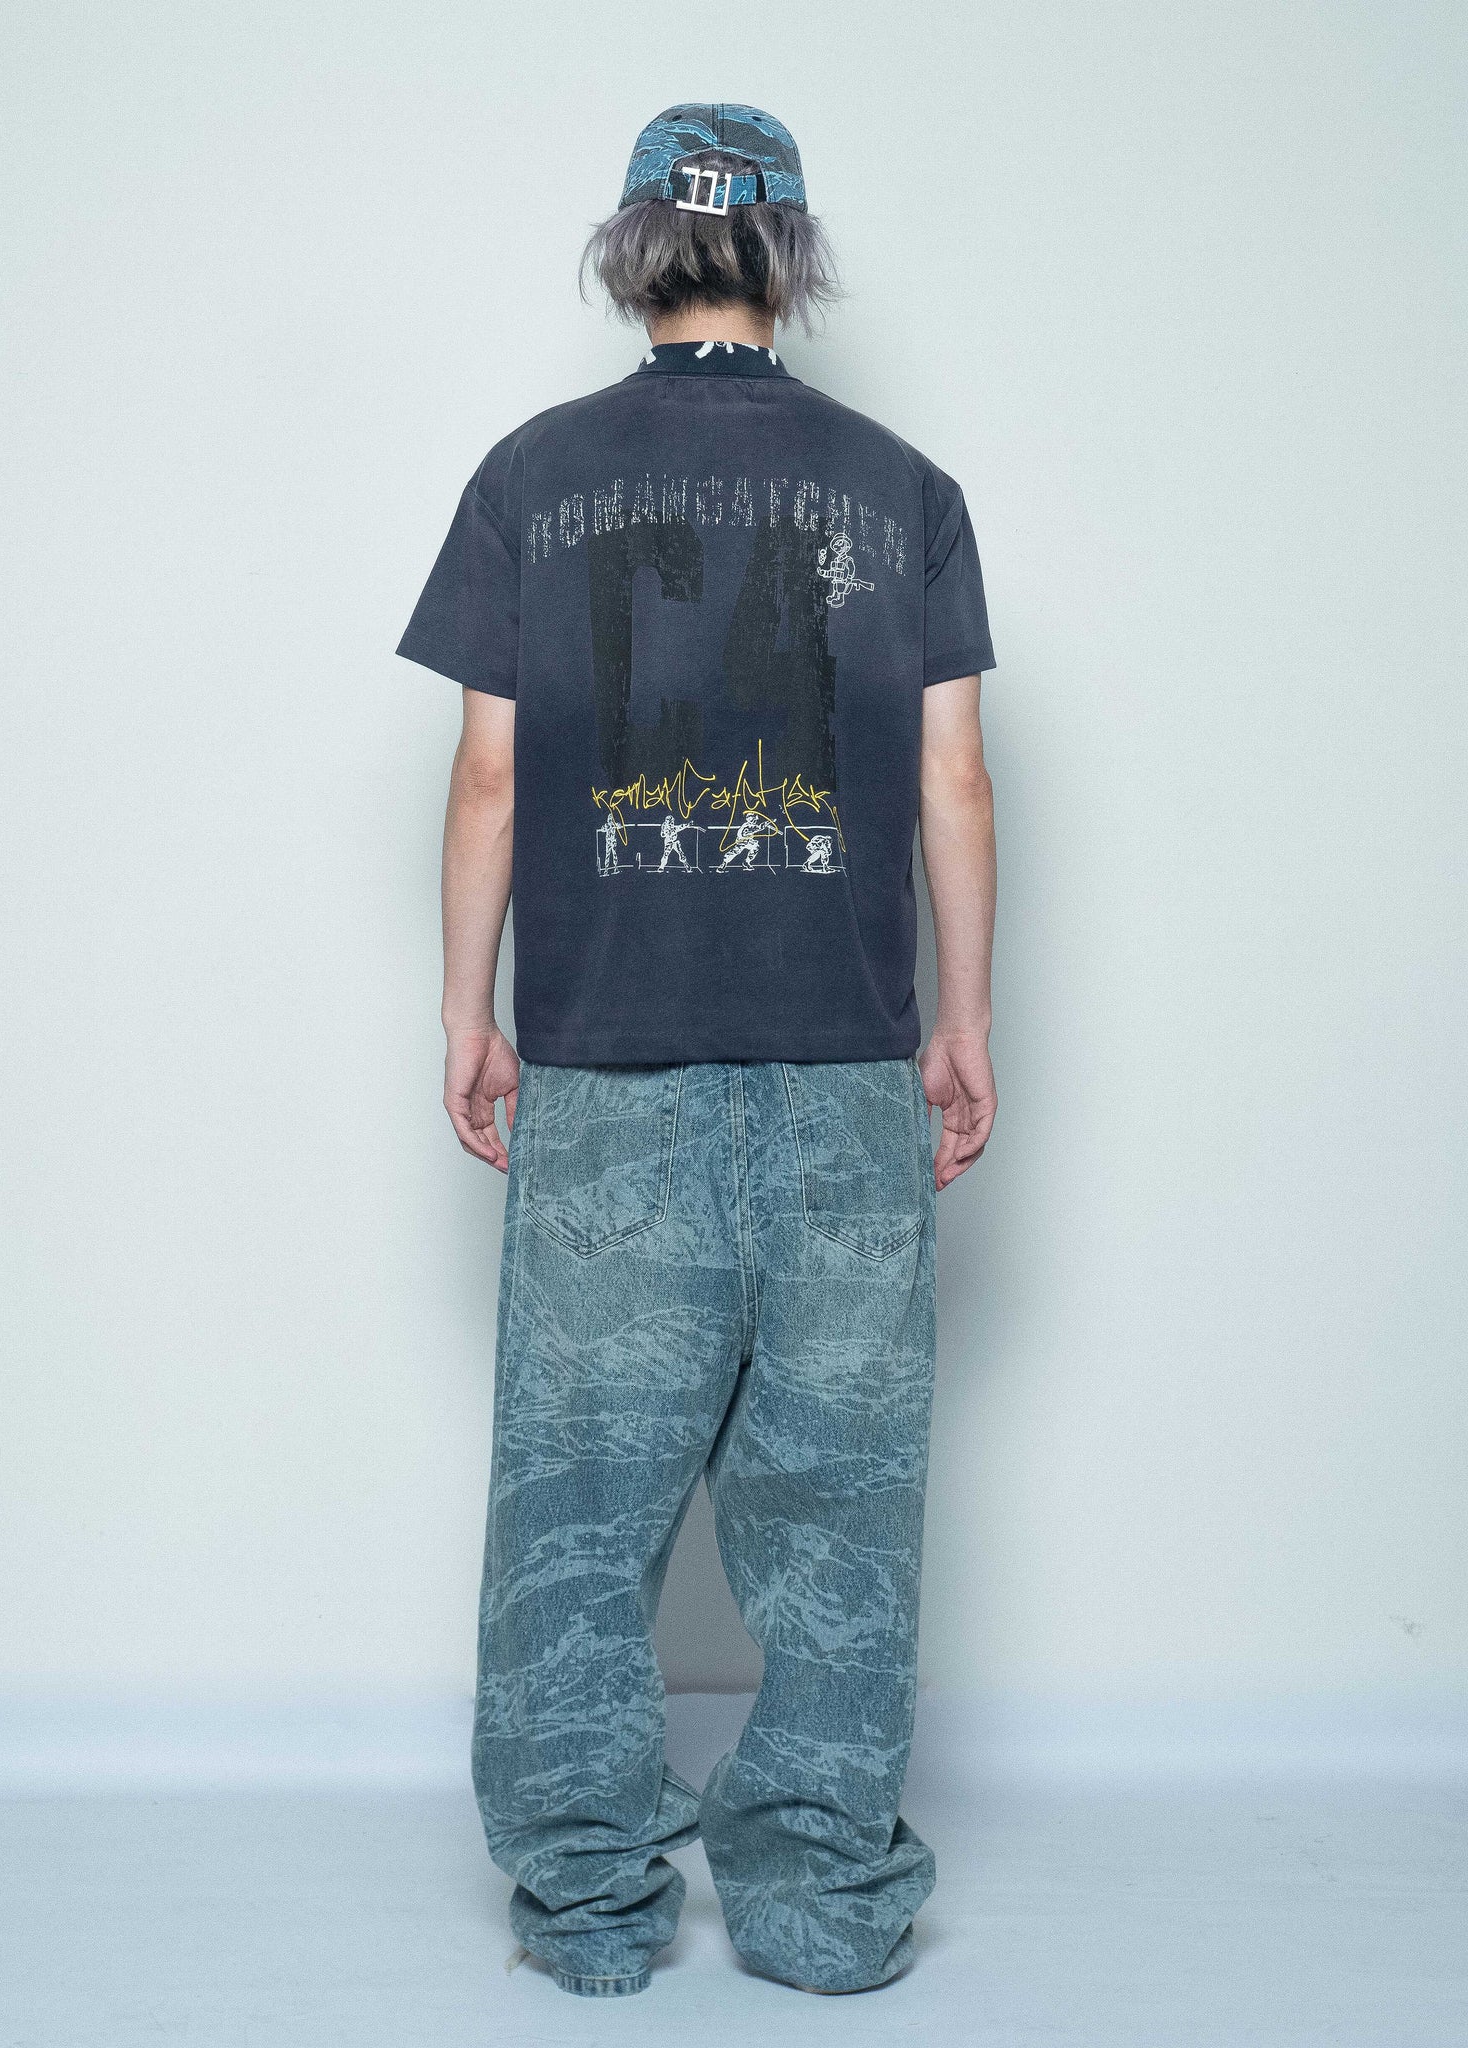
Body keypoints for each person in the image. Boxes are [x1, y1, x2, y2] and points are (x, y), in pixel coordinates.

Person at [397, 102, 998, 2001]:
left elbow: (489, 776)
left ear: (635, 251)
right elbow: (954, 781)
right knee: (839, 1516)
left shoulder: (531, 477)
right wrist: (964, 1021)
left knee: (575, 1518)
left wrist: (466, 1010)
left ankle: (588, 1908)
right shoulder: (905, 489)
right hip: (843, 1074)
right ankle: (819, 1908)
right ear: (789, 261)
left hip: (607, 1070)